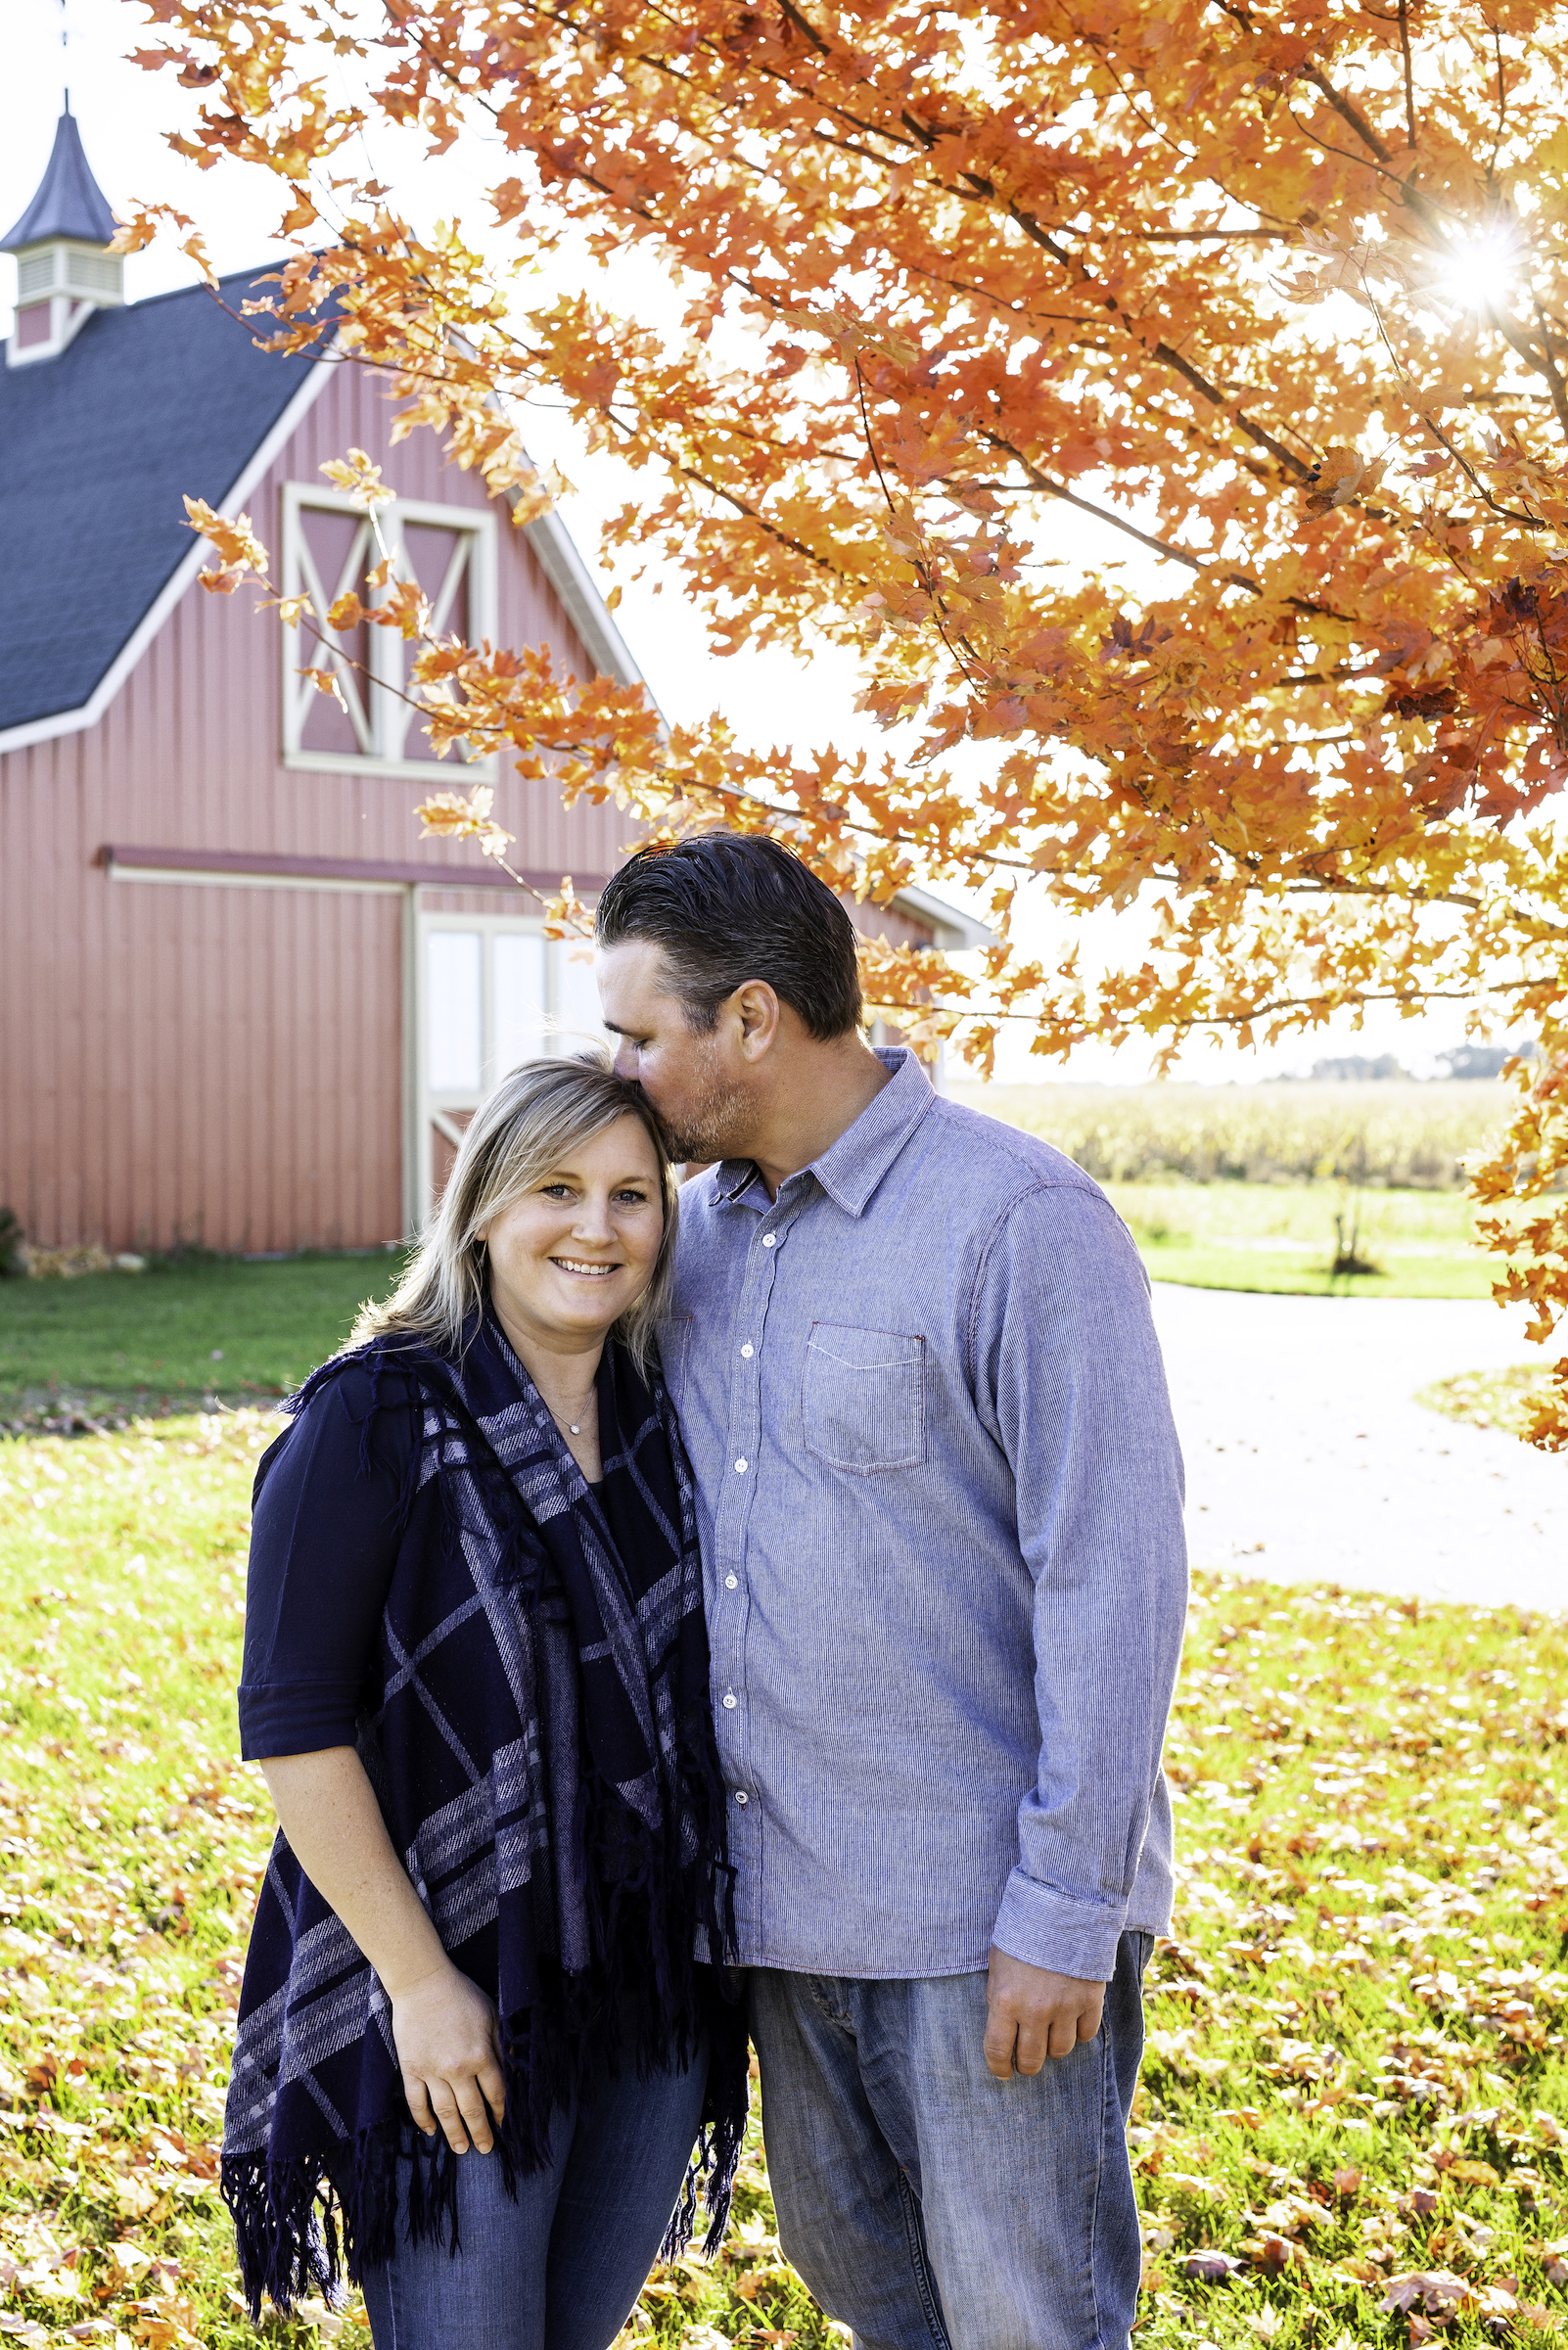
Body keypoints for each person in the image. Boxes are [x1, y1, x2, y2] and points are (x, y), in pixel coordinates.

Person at [595, 835, 1188, 2350]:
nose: (622, 1069)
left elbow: (1114, 1581)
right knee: (876, 2305)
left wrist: (1067, 1910)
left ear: (748, 1021)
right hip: (784, 1918)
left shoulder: (1017, 1223)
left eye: (641, 1035)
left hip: (981, 1924)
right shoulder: (698, 1235)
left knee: (1023, 2321)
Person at [219, 1055, 744, 2350]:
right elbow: (292, 1726)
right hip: (457, 1975)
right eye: (558, 1187)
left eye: (633, 1196)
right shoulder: (375, 1412)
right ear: (485, 1208)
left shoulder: (658, 1417)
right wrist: (420, 1987)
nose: (597, 1227)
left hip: (648, 1979)